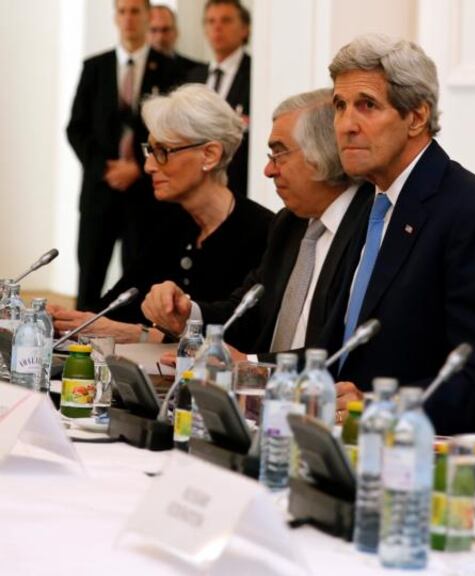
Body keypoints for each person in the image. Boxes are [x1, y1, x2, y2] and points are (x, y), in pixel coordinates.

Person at [325, 34, 475, 435]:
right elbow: (339, 354)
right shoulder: (368, 202)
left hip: (419, 449)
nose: (347, 125)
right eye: (340, 106)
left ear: (416, 117)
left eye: (367, 105)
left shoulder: (473, 212)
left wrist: (380, 408)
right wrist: (256, 369)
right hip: (338, 435)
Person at [140, 89, 372, 356]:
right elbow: (247, 312)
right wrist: (187, 313)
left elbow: (340, 350)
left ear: (323, 153)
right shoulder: (289, 224)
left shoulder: (368, 229)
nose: (268, 170)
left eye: (279, 154)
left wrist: (253, 366)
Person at [53, 84, 272, 343]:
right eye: (150, 150)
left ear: (210, 155)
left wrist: (140, 335)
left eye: (163, 152)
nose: (148, 166)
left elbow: (238, 337)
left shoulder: (264, 232)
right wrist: (59, 318)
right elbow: (114, 307)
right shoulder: (170, 224)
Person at [66, 0, 183, 310]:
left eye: (136, 11)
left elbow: (172, 130)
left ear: (148, 16)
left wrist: (139, 169)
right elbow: (76, 128)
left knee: (139, 276)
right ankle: (74, 342)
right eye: (123, 11)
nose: (129, 18)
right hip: (100, 191)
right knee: (90, 274)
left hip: (144, 194)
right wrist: (104, 169)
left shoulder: (170, 69)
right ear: (115, 17)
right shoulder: (95, 67)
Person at [186, 0, 251, 198]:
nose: (217, 27)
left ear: (245, 29)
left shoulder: (256, 74)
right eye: (211, 21)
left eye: (226, 20)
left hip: (240, 184)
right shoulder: (193, 77)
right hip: (196, 184)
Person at [149, 4, 203, 76]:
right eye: (153, 30)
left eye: (165, 30)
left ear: (176, 32)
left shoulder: (196, 71)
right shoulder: (136, 69)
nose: (160, 37)